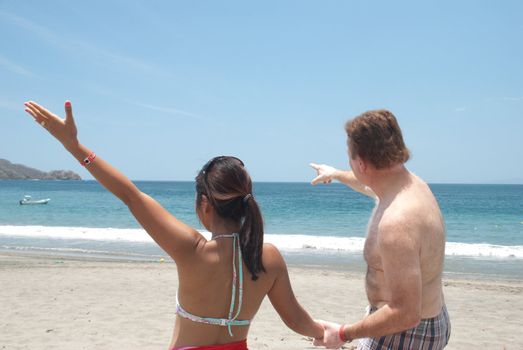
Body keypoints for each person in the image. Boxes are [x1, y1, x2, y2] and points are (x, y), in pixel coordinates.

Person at [23, 100, 325, 350]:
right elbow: (297, 320)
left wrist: (73, 146)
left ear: (204, 204)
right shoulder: (269, 258)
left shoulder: (192, 250)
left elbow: (130, 195)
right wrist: (328, 333)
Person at [310, 109, 450, 349]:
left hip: (404, 333)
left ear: (362, 164)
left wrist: (342, 334)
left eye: (350, 158)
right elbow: (369, 185)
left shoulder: (397, 223)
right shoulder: (410, 185)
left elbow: (405, 313)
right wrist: (335, 174)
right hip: (429, 320)